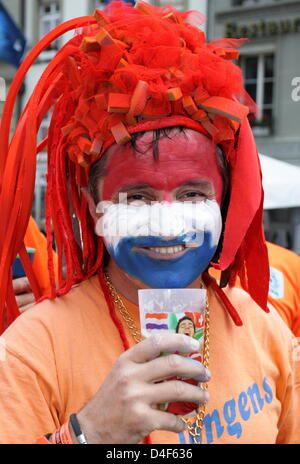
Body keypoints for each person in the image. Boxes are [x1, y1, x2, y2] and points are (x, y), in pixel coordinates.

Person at [0, 2, 299, 445]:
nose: (165, 226)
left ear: (224, 200)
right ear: (95, 208)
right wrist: (89, 434)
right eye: (136, 197)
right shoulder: (31, 348)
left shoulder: (263, 327)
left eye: (192, 195)